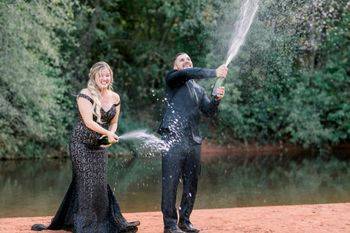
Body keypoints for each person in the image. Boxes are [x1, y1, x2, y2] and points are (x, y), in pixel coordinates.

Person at [31, 61, 140, 233]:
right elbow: (89, 122)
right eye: (101, 75)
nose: (105, 78)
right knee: (87, 182)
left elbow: (114, 121)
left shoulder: (115, 97)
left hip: (99, 146)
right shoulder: (85, 94)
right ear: (94, 77)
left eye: (107, 75)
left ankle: (101, 222)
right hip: (80, 144)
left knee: (99, 183)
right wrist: (108, 133)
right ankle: (86, 225)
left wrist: (110, 134)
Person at [158, 53, 227, 233]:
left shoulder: (198, 89)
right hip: (172, 137)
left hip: (193, 140)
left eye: (189, 59)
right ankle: (170, 225)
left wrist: (216, 100)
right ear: (176, 67)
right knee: (170, 183)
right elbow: (188, 73)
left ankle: (185, 221)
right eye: (182, 60)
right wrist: (214, 72)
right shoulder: (173, 78)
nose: (186, 61)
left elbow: (208, 111)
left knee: (191, 183)